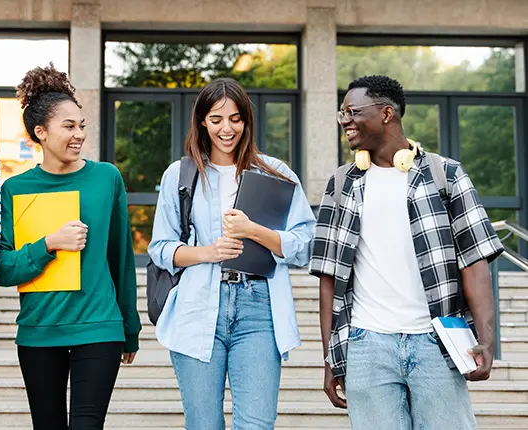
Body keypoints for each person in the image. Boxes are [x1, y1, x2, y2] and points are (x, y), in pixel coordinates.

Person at [309, 75, 504, 429]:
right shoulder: (341, 184)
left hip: (436, 343)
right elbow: (328, 277)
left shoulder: (445, 174)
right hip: (367, 346)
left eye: (352, 112)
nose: (345, 121)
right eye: (342, 114)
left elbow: (474, 262)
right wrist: (330, 360)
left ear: (386, 114)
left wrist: (487, 342)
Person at [148, 77, 315, 429]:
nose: (227, 128)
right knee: (204, 424)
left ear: (247, 121)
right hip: (197, 305)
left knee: (256, 424)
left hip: (259, 308)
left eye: (236, 118)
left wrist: (254, 231)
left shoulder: (275, 173)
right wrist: (207, 252)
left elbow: (306, 245)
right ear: (202, 122)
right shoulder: (180, 174)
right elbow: (161, 249)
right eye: (217, 119)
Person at [0, 64, 141, 429]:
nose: (79, 135)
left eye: (82, 125)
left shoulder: (106, 178)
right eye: (68, 126)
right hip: (40, 330)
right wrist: (48, 244)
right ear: (40, 133)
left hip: (99, 327)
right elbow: (1, 268)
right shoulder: (14, 189)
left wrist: (130, 327)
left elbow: (120, 257)